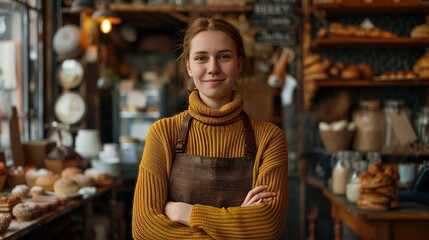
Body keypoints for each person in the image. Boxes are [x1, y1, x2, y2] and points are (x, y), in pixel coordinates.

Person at [132, 17, 288, 239]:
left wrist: (186, 213)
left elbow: (267, 226)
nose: (213, 68)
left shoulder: (269, 138)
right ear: (188, 66)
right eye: (201, 58)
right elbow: (144, 229)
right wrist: (238, 224)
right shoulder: (163, 133)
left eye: (224, 56)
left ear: (239, 63)